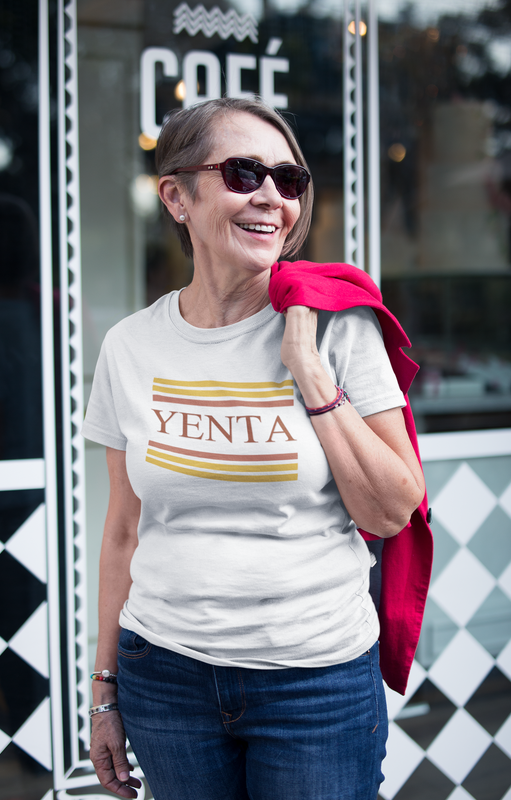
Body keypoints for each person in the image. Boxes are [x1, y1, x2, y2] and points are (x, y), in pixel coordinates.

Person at [82, 96, 426, 800]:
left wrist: (310, 372)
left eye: (288, 179)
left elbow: (393, 509)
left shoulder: (337, 329)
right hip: (165, 675)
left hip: (314, 682)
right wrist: (103, 690)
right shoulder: (129, 346)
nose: (272, 197)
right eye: (243, 173)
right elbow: (122, 532)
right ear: (176, 196)